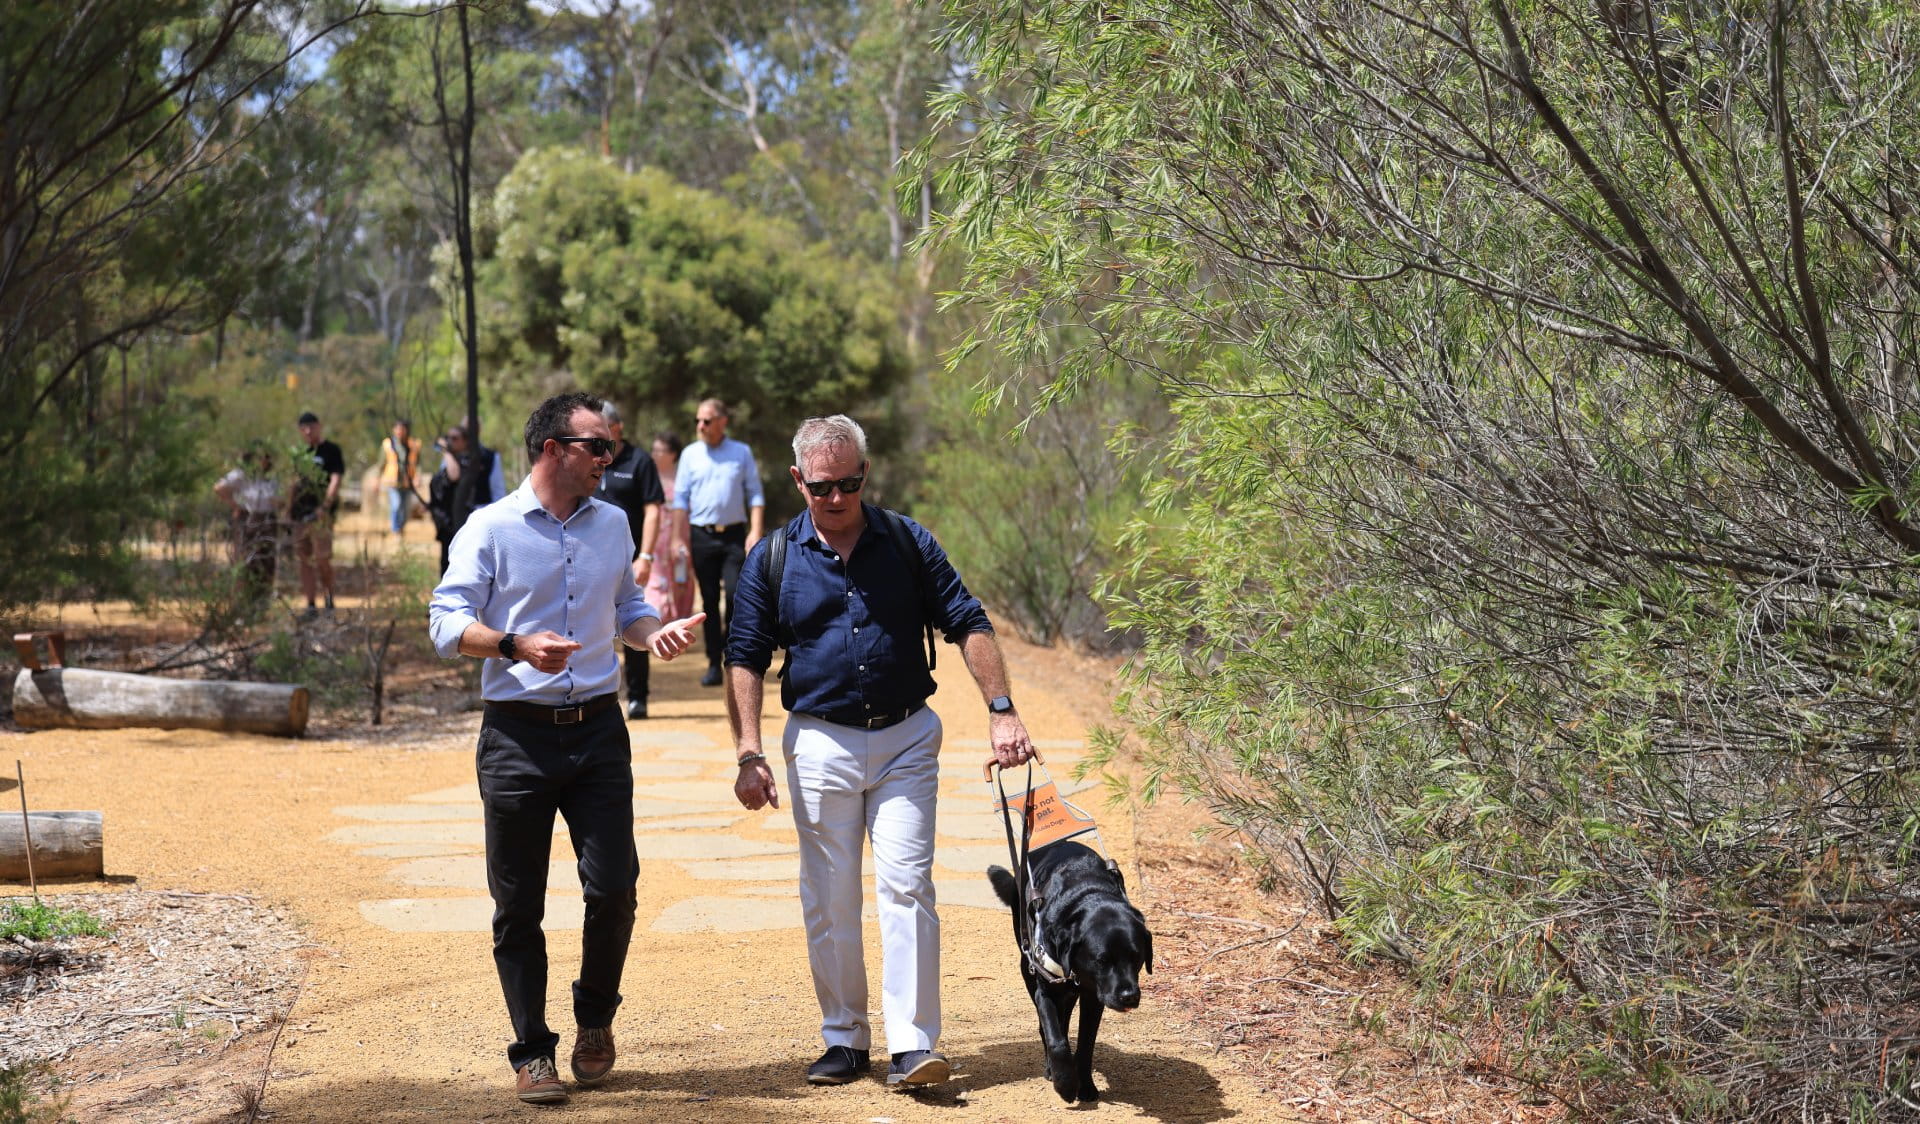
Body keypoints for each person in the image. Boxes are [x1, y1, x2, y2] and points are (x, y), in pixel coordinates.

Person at [725, 414, 1036, 1089]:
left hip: (905, 740)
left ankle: (914, 1044)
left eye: (848, 484)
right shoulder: (772, 557)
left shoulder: (906, 542)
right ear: (797, 481)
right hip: (819, 741)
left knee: (907, 885)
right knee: (830, 899)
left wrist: (1002, 710)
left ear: (866, 474)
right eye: (821, 487)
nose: (836, 499)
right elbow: (744, 654)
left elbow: (967, 620)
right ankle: (844, 1038)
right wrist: (749, 752)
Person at [428, 391, 704, 1106]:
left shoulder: (612, 524)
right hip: (517, 734)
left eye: (610, 446)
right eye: (596, 447)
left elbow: (627, 609)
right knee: (517, 903)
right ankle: (532, 1050)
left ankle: (594, 1018)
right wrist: (514, 643)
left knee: (614, 887)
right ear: (553, 449)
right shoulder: (489, 528)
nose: (609, 458)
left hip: (598, 732)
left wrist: (653, 633)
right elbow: (445, 622)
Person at [672, 397, 764, 687]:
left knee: (736, 595)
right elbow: (680, 500)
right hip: (701, 535)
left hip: (735, 535)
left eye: (707, 420)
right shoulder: (689, 455)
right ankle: (713, 662)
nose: (700, 425)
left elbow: (756, 495)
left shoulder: (741, 452)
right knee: (709, 601)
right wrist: (677, 537)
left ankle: (733, 656)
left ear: (723, 421)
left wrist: (755, 531)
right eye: (698, 420)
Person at [593, 401, 665, 719]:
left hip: (630, 558)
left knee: (633, 619)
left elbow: (653, 509)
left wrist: (646, 555)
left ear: (617, 428)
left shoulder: (640, 461)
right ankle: (599, 692)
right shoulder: (590, 460)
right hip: (590, 558)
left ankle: (638, 696)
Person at [291, 410, 345, 620]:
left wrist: (325, 506)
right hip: (300, 515)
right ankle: (311, 604)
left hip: (321, 515)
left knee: (322, 558)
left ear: (318, 426)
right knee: (304, 559)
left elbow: (335, 480)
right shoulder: (299, 453)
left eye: (311, 426)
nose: (308, 431)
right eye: (303, 428)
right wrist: (288, 510)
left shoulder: (331, 451)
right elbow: (293, 483)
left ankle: (329, 598)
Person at [213, 443, 281, 605]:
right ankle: (241, 603)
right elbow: (219, 488)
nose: (261, 460)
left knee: (266, 561)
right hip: (247, 519)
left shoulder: (271, 478)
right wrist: (235, 505)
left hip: (268, 520)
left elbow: (282, 500)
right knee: (244, 561)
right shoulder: (241, 475)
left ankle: (261, 602)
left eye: (264, 457)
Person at [428, 424, 501, 575]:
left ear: (465, 441)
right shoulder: (450, 459)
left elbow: (454, 475)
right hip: (448, 524)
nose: (450, 442)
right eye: (448, 438)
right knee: (447, 565)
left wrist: (446, 452)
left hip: (469, 521)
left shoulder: (479, 459)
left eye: (454, 438)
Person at [645, 431, 695, 622]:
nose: (655, 454)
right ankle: (657, 619)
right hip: (656, 540)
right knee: (655, 580)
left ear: (673, 454)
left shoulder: (682, 478)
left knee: (681, 579)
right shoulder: (649, 476)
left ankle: (680, 620)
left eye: (660, 450)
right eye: (653, 449)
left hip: (680, 537)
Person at [379, 418, 421, 536]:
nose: (399, 431)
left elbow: (417, 464)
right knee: (396, 505)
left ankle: (401, 528)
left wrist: (417, 477)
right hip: (393, 482)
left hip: (408, 482)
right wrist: (377, 478)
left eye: (402, 428)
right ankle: (396, 530)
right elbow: (381, 463)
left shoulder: (414, 445)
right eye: (397, 428)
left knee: (405, 508)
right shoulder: (388, 444)